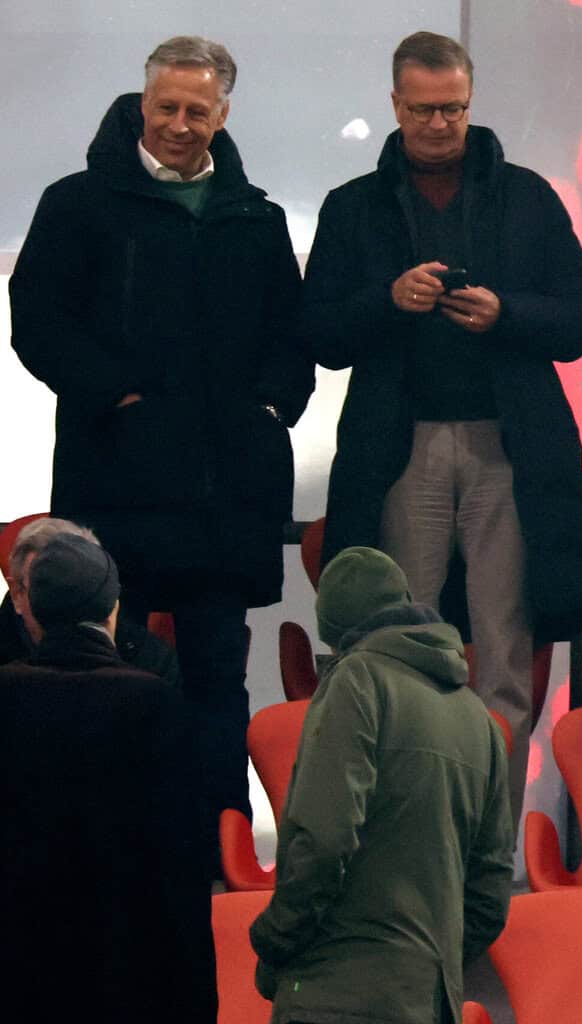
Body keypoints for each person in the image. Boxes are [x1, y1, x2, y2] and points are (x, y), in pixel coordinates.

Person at [303, 30, 582, 841]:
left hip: (507, 446)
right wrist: (387, 300)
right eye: (424, 110)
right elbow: (318, 332)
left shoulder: (526, 196)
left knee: (505, 649)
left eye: (454, 109)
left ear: (471, 103)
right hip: (401, 447)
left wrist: (507, 313)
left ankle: (489, 844)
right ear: (394, 105)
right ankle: (410, 842)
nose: (440, 124)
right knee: (403, 645)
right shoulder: (353, 206)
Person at [9, 36, 313, 837]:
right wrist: (118, 396)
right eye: (166, 107)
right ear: (142, 105)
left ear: (223, 114)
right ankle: (117, 849)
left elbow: (292, 335)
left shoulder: (257, 218)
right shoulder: (76, 204)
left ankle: (217, 849)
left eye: (196, 110)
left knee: (218, 684)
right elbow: (38, 323)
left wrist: (271, 409)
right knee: (111, 683)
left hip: (226, 499)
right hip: (116, 488)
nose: (180, 124)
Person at [250, 546, 517, 1024]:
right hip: (430, 1000)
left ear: (335, 633)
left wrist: (274, 938)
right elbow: (491, 890)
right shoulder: (479, 718)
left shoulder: (357, 680)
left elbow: (324, 839)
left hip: (336, 996)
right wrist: (427, 965)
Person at [0, 533, 214, 1022]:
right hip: (128, 970)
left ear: (31, 608)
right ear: (112, 607)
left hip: (19, 969)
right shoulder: (152, 702)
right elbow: (182, 863)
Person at [1, 517, 179, 683]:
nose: (68, 604)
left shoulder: (149, 660)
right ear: (17, 594)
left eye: (79, 586)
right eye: (46, 586)